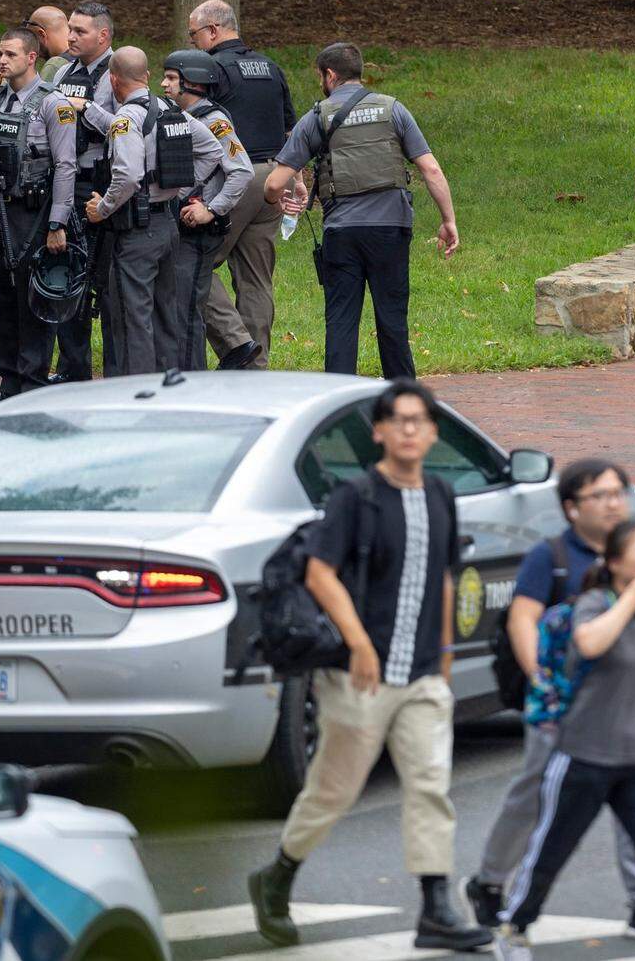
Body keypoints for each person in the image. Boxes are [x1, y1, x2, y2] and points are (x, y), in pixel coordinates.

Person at [248, 380, 492, 954]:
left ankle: (436, 909)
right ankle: (277, 876)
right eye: (398, 420)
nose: (410, 430)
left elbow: (445, 577)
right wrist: (358, 643)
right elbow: (320, 574)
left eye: (420, 421)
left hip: (423, 674)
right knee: (335, 789)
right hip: (361, 676)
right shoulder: (354, 498)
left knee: (431, 785)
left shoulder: (441, 494)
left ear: (432, 433)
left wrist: (446, 658)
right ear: (379, 431)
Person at [463, 459, 635, 940]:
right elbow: (523, 620)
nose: (614, 503)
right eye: (601, 495)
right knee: (533, 795)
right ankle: (489, 883)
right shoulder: (549, 557)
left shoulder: (633, 553)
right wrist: (544, 683)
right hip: (561, 709)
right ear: (572, 509)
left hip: (620, 708)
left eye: (619, 492)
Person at [493, 521, 635, 961]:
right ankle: (514, 925)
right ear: (614, 562)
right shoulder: (594, 603)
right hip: (583, 756)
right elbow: (589, 644)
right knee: (550, 851)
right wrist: (630, 600)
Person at [264, 42, 458, 379]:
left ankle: (340, 399)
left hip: (342, 232)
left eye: (320, 76)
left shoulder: (316, 117)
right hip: (391, 229)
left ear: (330, 75)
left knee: (341, 322)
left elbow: (273, 184)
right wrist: (448, 220)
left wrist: (276, 200)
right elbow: (432, 170)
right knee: (392, 319)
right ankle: (403, 395)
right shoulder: (393, 110)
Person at [86, 47, 224, 376]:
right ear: (146, 76)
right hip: (167, 227)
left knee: (133, 318)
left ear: (112, 79)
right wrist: (180, 188)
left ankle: (139, 397)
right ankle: (168, 390)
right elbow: (212, 150)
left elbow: (128, 176)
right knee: (165, 317)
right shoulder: (169, 109)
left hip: (135, 231)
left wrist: (102, 209)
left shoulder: (126, 119)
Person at [0, 27, 75, 406]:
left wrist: (57, 223)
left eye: (10, 53)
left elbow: (65, 166)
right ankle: (8, 382)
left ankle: (31, 383)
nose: (2, 60)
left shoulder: (52, 103)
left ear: (32, 57)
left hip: (35, 215)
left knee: (33, 302)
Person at [188, 0, 297, 370]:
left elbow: (203, 126)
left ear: (213, 30)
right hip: (273, 178)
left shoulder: (213, 69)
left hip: (235, 177)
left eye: (194, 35)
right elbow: (290, 129)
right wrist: (293, 176)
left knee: (193, 263)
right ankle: (255, 369)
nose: (193, 44)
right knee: (256, 278)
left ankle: (238, 345)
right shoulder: (270, 66)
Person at [160, 50, 252, 371]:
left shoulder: (215, 122)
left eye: (172, 78)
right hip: (178, 227)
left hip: (198, 231)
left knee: (186, 313)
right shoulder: (176, 115)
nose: (164, 84)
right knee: (179, 309)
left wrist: (212, 210)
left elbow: (242, 170)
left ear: (194, 82)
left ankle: (192, 385)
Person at [50, 0, 116, 382]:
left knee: (102, 286)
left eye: (80, 31)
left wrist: (86, 107)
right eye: (70, 29)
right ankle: (71, 371)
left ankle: (113, 375)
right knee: (67, 278)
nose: (71, 37)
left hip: (101, 189)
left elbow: (129, 127)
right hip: (68, 185)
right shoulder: (64, 72)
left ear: (103, 36)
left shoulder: (115, 74)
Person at [24, 6, 72, 83]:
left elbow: (37, 95)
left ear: (42, 34)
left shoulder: (54, 66)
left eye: (34, 42)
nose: (36, 53)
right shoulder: (89, 58)